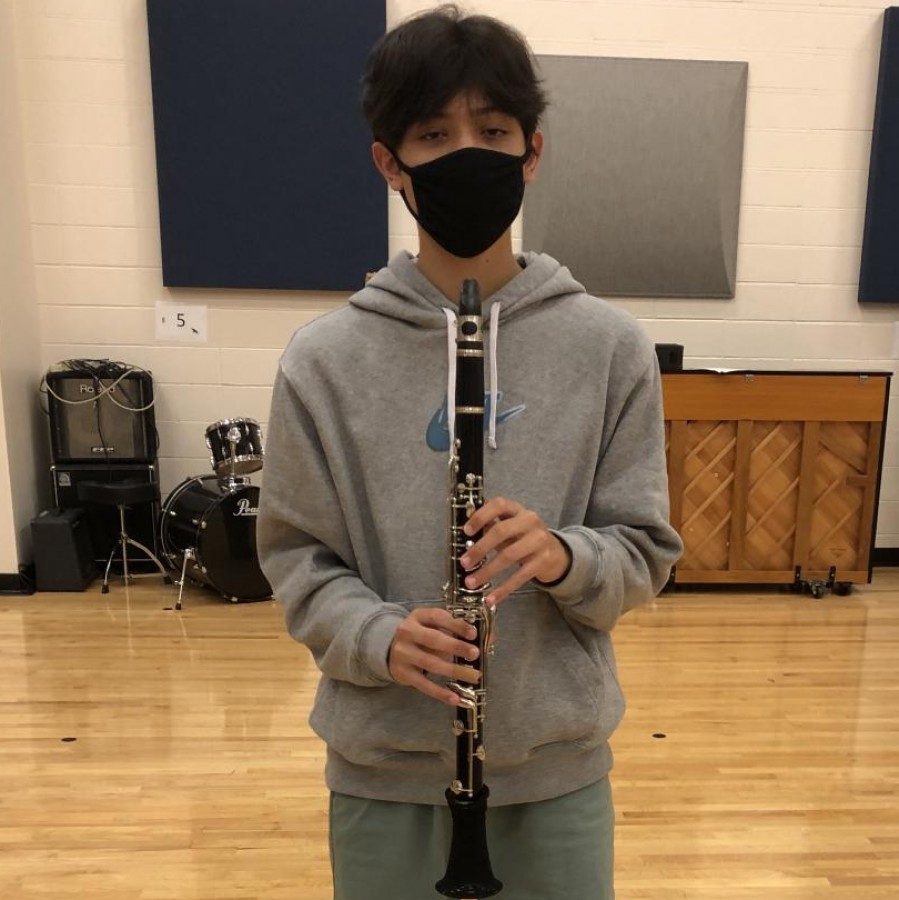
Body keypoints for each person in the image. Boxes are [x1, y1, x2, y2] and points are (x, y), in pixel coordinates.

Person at [256, 5, 683, 898]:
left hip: (552, 772)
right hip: (387, 770)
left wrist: (566, 554)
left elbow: (643, 552)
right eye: (432, 133)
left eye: (492, 130)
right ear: (389, 162)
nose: (467, 153)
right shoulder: (323, 359)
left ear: (532, 151)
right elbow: (297, 559)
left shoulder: (609, 347)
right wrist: (376, 634)